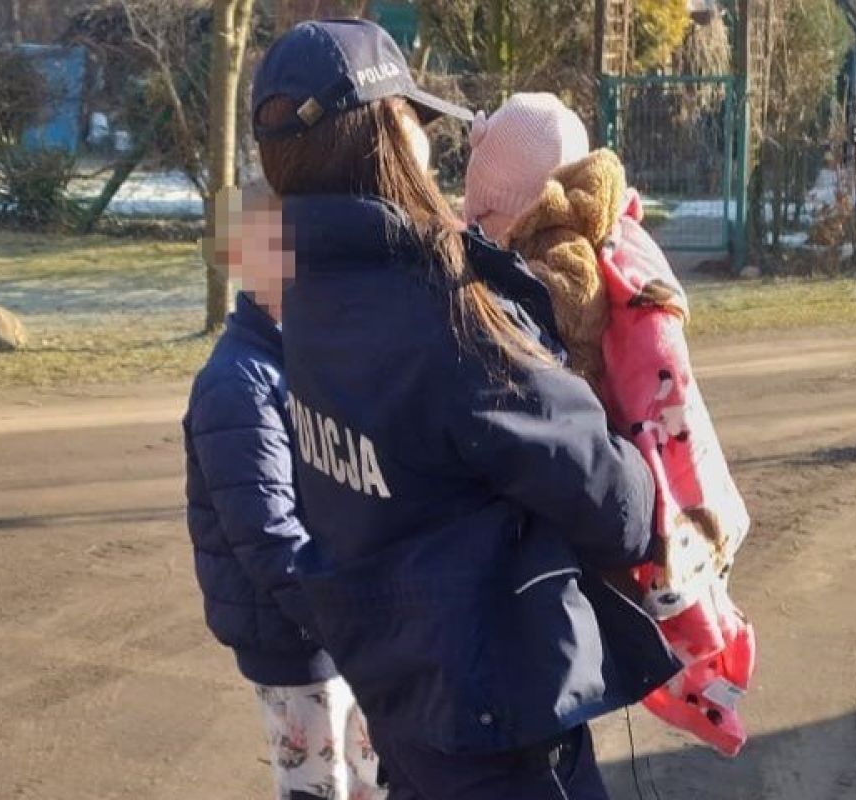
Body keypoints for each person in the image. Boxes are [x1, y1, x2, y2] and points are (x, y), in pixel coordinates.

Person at [248, 19, 680, 800]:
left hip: (405, 698)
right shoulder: (443, 316)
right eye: (415, 119)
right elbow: (620, 505)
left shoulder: (312, 297)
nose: (432, 147)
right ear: (385, 133)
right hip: (499, 722)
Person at [463, 95, 756, 755]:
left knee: (643, 615)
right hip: (629, 472)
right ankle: (711, 662)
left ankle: (709, 673)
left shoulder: (556, 270)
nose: (474, 227)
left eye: (482, 213)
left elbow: (554, 386)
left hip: (608, 489)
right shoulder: (615, 236)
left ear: (509, 207)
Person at [183, 186, 384, 800]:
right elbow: (267, 533)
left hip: (345, 625)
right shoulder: (236, 382)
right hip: (295, 637)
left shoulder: (303, 357)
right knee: (321, 786)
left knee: (377, 778)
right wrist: (347, 619)